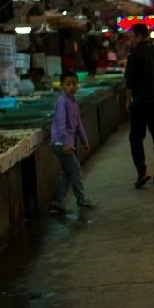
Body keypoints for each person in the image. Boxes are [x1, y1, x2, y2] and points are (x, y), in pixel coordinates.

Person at [125, 23, 154, 187]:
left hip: (140, 103)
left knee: (136, 138)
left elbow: (130, 81)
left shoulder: (135, 54)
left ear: (138, 36)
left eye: (132, 36)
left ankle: (142, 172)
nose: (131, 39)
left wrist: (127, 101)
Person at [49, 71, 97, 212]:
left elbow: (78, 125)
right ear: (62, 86)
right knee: (76, 170)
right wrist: (66, 144)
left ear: (78, 85)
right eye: (68, 84)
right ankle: (81, 199)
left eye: (74, 84)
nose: (71, 87)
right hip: (60, 144)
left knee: (67, 171)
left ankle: (57, 202)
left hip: (64, 143)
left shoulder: (74, 103)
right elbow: (61, 123)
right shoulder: (62, 102)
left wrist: (85, 141)